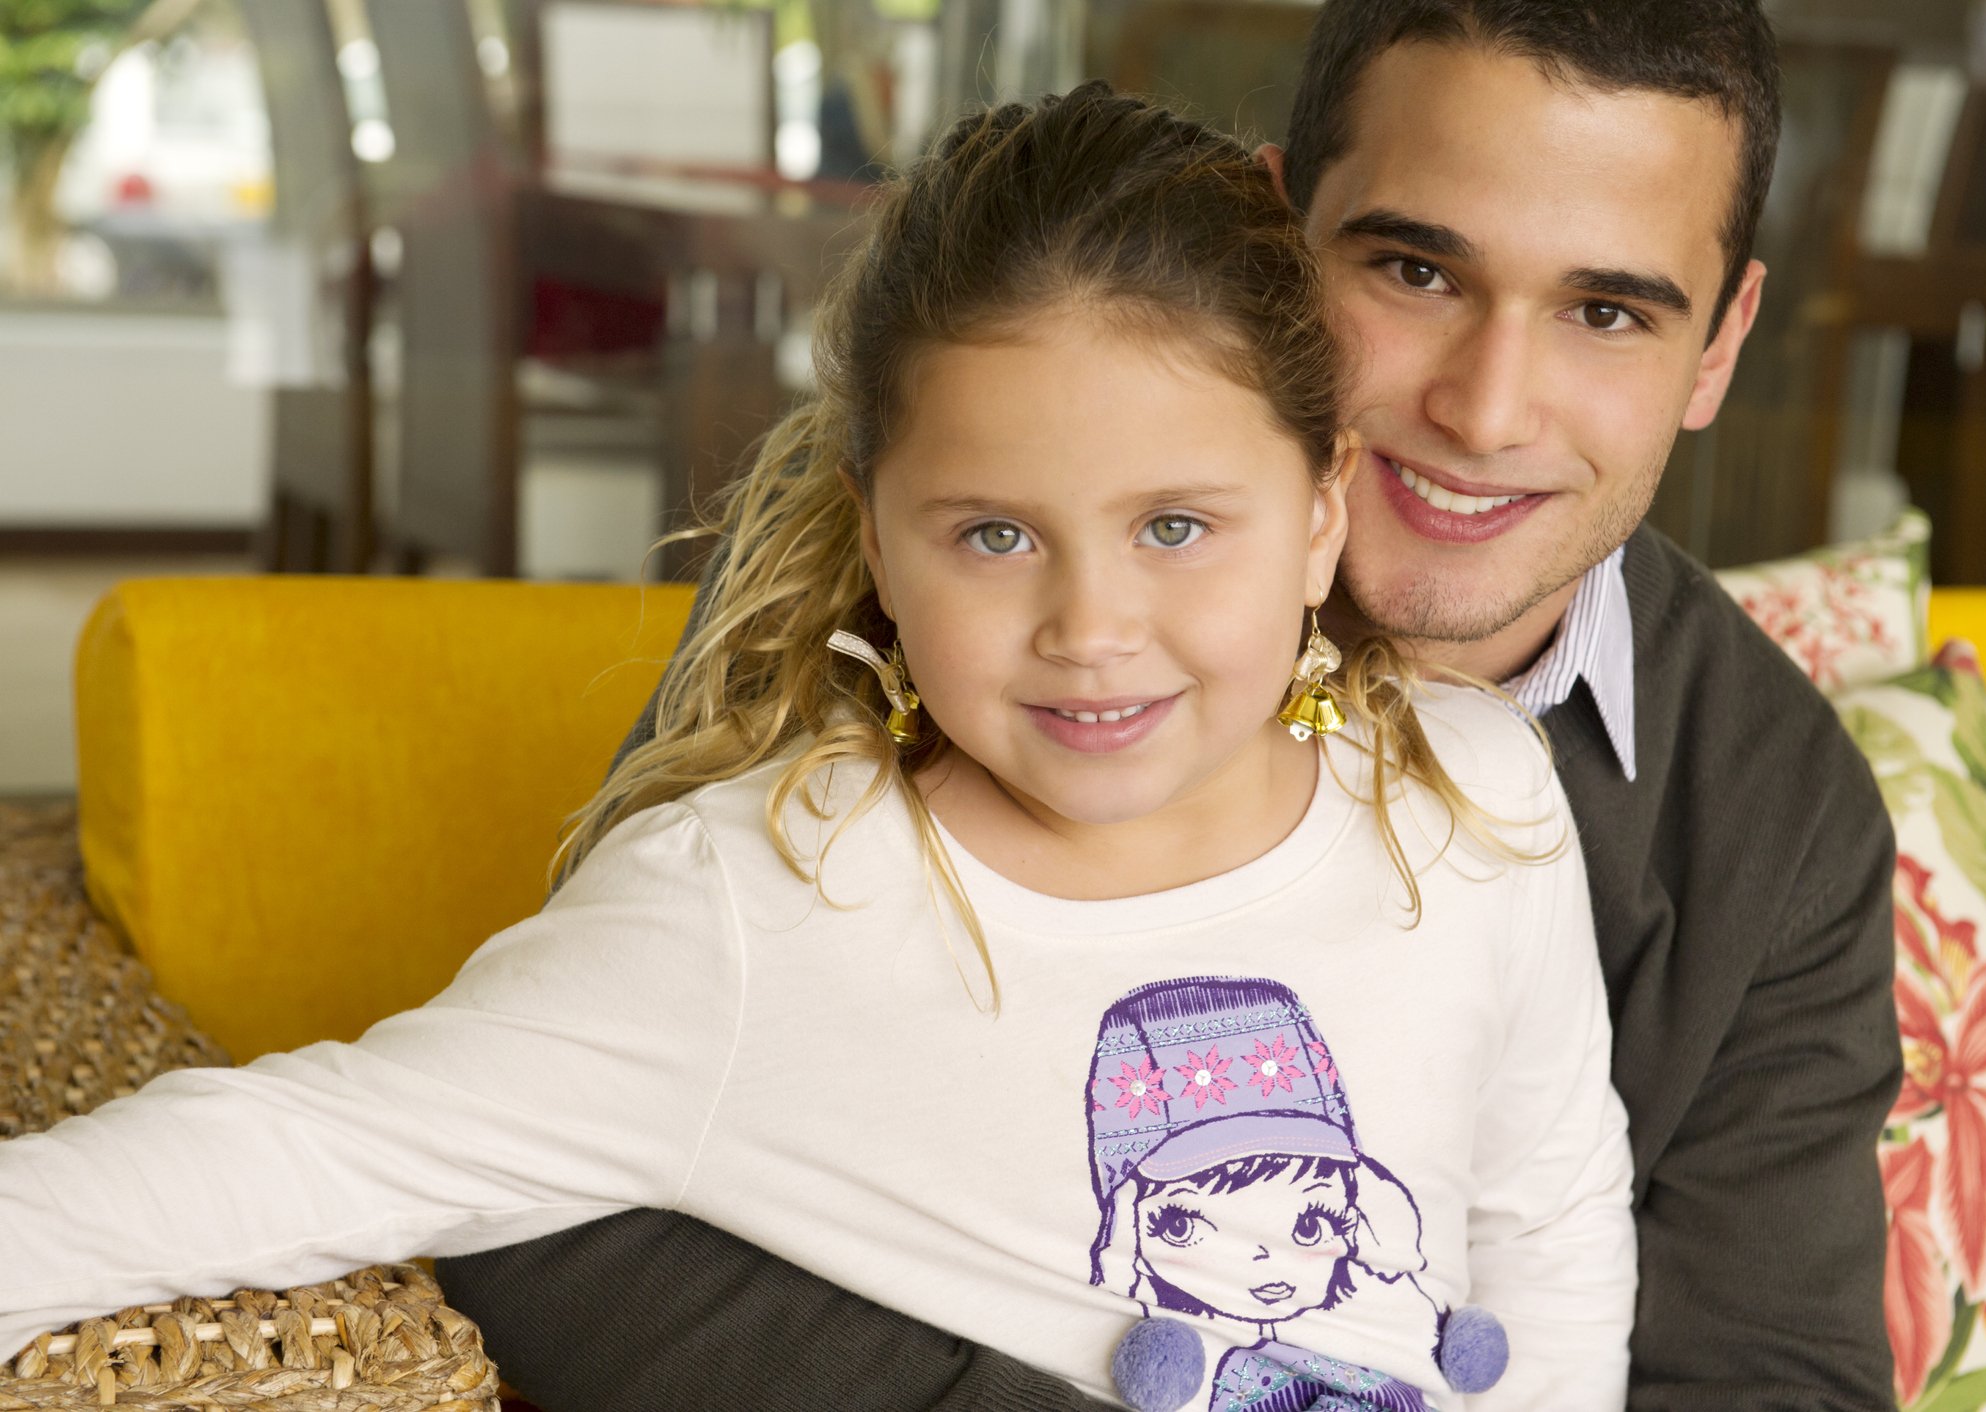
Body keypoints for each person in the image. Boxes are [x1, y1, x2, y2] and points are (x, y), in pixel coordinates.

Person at [0, 86, 1637, 1410]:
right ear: (876, 538)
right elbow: (317, 1146)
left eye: (1177, 527)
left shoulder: (1471, 791)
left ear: (1317, 520)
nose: (1090, 626)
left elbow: (1547, 1222)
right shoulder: (762, 904)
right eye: (993, 536)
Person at [437, 2, 1902, 1409]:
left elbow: (1767, 1373)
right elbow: (547, 1206)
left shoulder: (1771, 802)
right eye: (1413, 273)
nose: (1486, 406)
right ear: (1274, 231)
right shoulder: (940, 576)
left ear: (1717, 344)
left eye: (1605, 311)